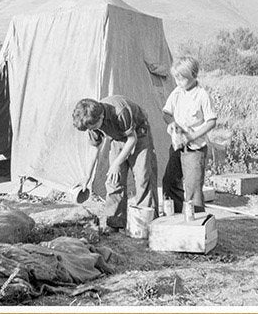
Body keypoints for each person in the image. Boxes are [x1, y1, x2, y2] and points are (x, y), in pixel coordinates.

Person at [71, 95, 158, 232]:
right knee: (113, 180)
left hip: (139, 135)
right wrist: (87, 176)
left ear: (101, 117)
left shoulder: (120, 111)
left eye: (93, 127)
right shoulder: (91, 121)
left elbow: (132, 139)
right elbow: (95, 147)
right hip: (117, 139)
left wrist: (116, 164)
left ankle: (146, 223)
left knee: (143, 178)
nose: (92, 130)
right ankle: (115, 222)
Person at [162, 56, 217, 215]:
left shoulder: (202, 95)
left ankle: (198, 223)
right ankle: (178, 215)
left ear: (193, 75)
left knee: (193, 189)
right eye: (176, 79)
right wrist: (171, 123)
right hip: (177, 145)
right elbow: (166, 113)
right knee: (169, 182)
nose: (179, 82)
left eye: (182, 79)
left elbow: (211, 121)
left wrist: (191, 137)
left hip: (195, 148)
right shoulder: (177, 92)